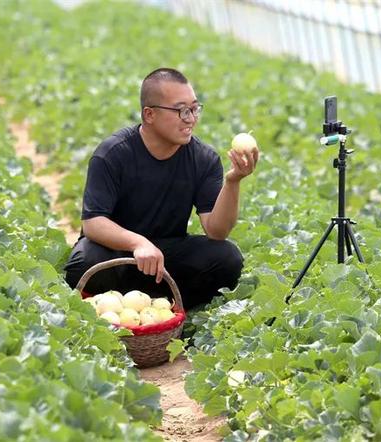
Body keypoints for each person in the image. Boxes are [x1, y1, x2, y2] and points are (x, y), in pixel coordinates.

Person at [64, 68, 259, 309]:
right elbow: (93, 223)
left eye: (194, 109)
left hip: (168, 254)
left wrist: (233, 181)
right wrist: (138, 244)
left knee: (227, 258)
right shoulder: (113, 153)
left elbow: (217, 231)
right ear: (149, 114)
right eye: (181, 111)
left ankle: (166, 307)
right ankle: (132, 303)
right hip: (117, 252)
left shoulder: (203, 158)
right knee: (82, 262)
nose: (191, 118)